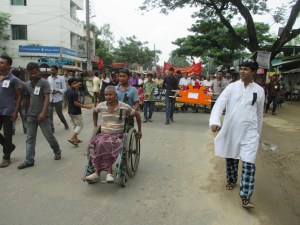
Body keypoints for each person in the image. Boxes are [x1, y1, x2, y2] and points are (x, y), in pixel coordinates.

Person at [209, 59, 264, 208]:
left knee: (249, 163)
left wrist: (258, 133)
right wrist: (215, 121)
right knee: (231, 158)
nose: (242, 71)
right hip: (232, 129)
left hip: (250, 132)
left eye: (246, 69)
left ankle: (246, 196)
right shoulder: (232, 87)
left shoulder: (259, 90)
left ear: (253, 72)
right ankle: (232, 180)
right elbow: (219, 104)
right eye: (241, 68)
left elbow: (259, 114)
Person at [85, 86, 142, 183]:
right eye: (106, 95)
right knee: (96, 144)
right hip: (103, 134)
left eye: (110, 94)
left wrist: (139, 130)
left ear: (115, 95)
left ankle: (105, 172)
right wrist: (95, 126)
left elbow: (137, 115)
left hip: (117, 135)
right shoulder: (101, 105)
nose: (108, 97)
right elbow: (94, 112)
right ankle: (99, 172)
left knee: (105, 143)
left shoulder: (124, 106)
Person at [17, 62, 62, 169]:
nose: (33, 75)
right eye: (31, 73)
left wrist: (43, 112)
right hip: (31, 116)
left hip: (43, 116)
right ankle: (29, 160)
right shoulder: (27, 84)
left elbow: (47, 98)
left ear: (39, 71)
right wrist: (26, 112)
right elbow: (27, 99)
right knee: (30, 138)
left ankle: (57, 150)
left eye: (35, 73)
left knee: (49, 136)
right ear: (28, 73)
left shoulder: (44, 83)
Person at [0, 55, 22, 168]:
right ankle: (9, 146)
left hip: (8, 111)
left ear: (8, 65)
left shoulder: (13, 79)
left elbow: (19, 96)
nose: (0, 64)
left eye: (2, 63)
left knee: (8, 134)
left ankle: (6, 157)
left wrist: (16, 111)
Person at [67, 78, 92, 146]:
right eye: (73, 84)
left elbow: (75, 89)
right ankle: (72, 138)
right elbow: (76, 103)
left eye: (76, 83)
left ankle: (76, 139)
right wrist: (86, 106)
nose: (76, 85)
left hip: (70, 111)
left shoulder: (69, 90)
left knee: (74, 125)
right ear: (70, 85)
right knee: (80, 125)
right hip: (76, 111)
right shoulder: (74, 93)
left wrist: (77, 86)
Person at [47, 65, 69, 133]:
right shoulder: (48, 78)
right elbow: (47, 88)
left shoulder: (61, 78)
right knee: (50, 114)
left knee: (59, 114)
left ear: (56, 70)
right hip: (50, 99)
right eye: (51, 70)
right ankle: (52, 128)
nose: (52, 71)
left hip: (58, 100)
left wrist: (58, 91)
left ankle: (65, 123)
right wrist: (49, 91)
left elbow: (65, 89)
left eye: (53, 70)